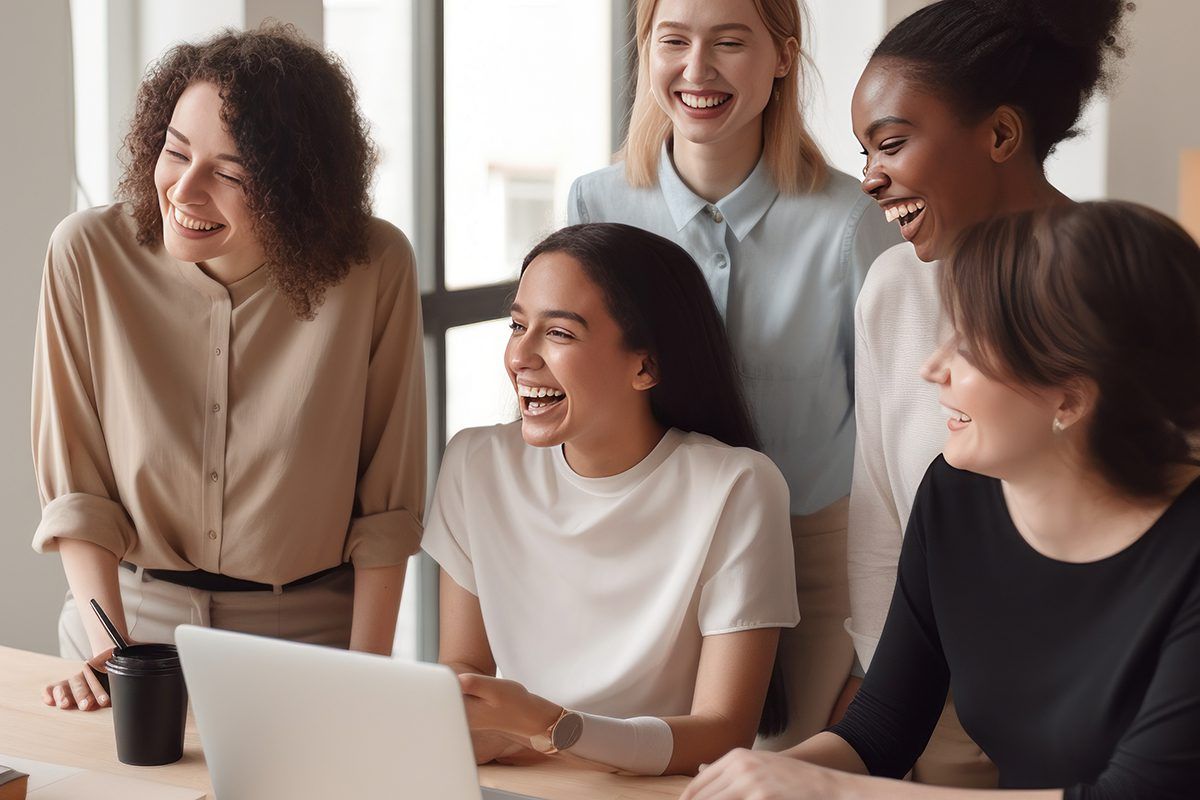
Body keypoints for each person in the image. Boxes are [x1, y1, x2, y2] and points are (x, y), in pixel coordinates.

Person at [683, 200, 1200, 799]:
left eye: (970, 347)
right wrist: (757, 778)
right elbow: (883, 728)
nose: (933, 368)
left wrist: (830, 792)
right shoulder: (956, 498)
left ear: (1071, 399)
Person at [35, 25, 425, 713]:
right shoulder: (88, 254)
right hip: (123, 636)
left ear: (294, 190)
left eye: (231, 174)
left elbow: (386, 509)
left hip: (308, 645)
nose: (184, 189)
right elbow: (78, 490)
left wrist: (369, 687)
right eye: (175, 152)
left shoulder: (373, 266)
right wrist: (112, 657)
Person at [568, 0, 899, 746]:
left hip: (811, 570)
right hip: (646, 560)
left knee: (781, 785)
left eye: (729, 42)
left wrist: (878, 663)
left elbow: (894, 444)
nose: (697, 69)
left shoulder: (851, 220)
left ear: (783, 57)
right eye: (672, 41)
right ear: (645, 49)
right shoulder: (596, 203)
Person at [839, 0, 1130, 784]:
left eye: (891, 143)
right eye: (864, 150)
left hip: (1108, 708)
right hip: (933, 701)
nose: (869, 178)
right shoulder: (891, 289)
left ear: (1000, 135)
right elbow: (879, 514)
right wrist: (896, 704)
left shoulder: (1128, 288)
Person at [422, 223, 799, 776]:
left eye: (560, 334)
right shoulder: (474, 465)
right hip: (519, 782)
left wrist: (546, 729)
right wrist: (518, 733)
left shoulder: (737, 487)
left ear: (645, 365)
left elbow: (723, 732)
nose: (520, 356)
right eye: (517, 324)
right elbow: (463, 670)